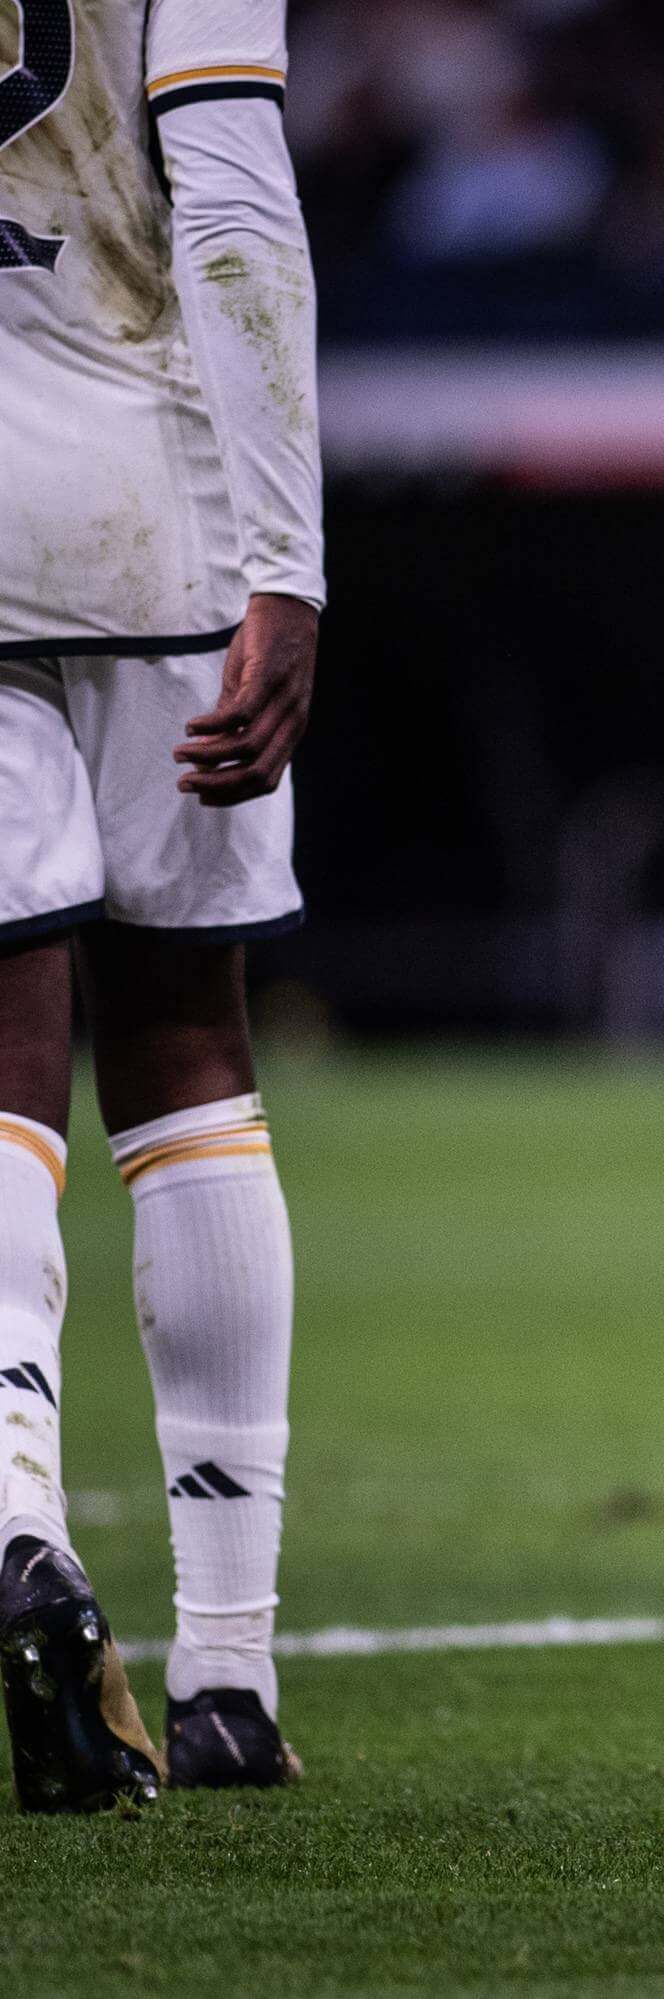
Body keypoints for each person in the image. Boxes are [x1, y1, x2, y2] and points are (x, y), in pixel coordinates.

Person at [0, 0, 324, 1807]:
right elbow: (230, 199)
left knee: (2, 1047)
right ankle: (224, 1669)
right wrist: (290, 558)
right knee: (187, 1042)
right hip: (145, 495)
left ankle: (16, 1512)